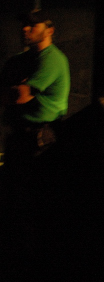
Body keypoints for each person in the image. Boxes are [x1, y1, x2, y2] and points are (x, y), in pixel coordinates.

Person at [0, 10, 71, 166]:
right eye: (24, 24)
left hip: (41, 139)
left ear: (49, 31)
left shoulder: (52, 59)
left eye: (32, 25)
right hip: (19, 135)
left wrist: (15, 90)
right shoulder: (17, 60)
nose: (25, 28)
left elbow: (20, 96)